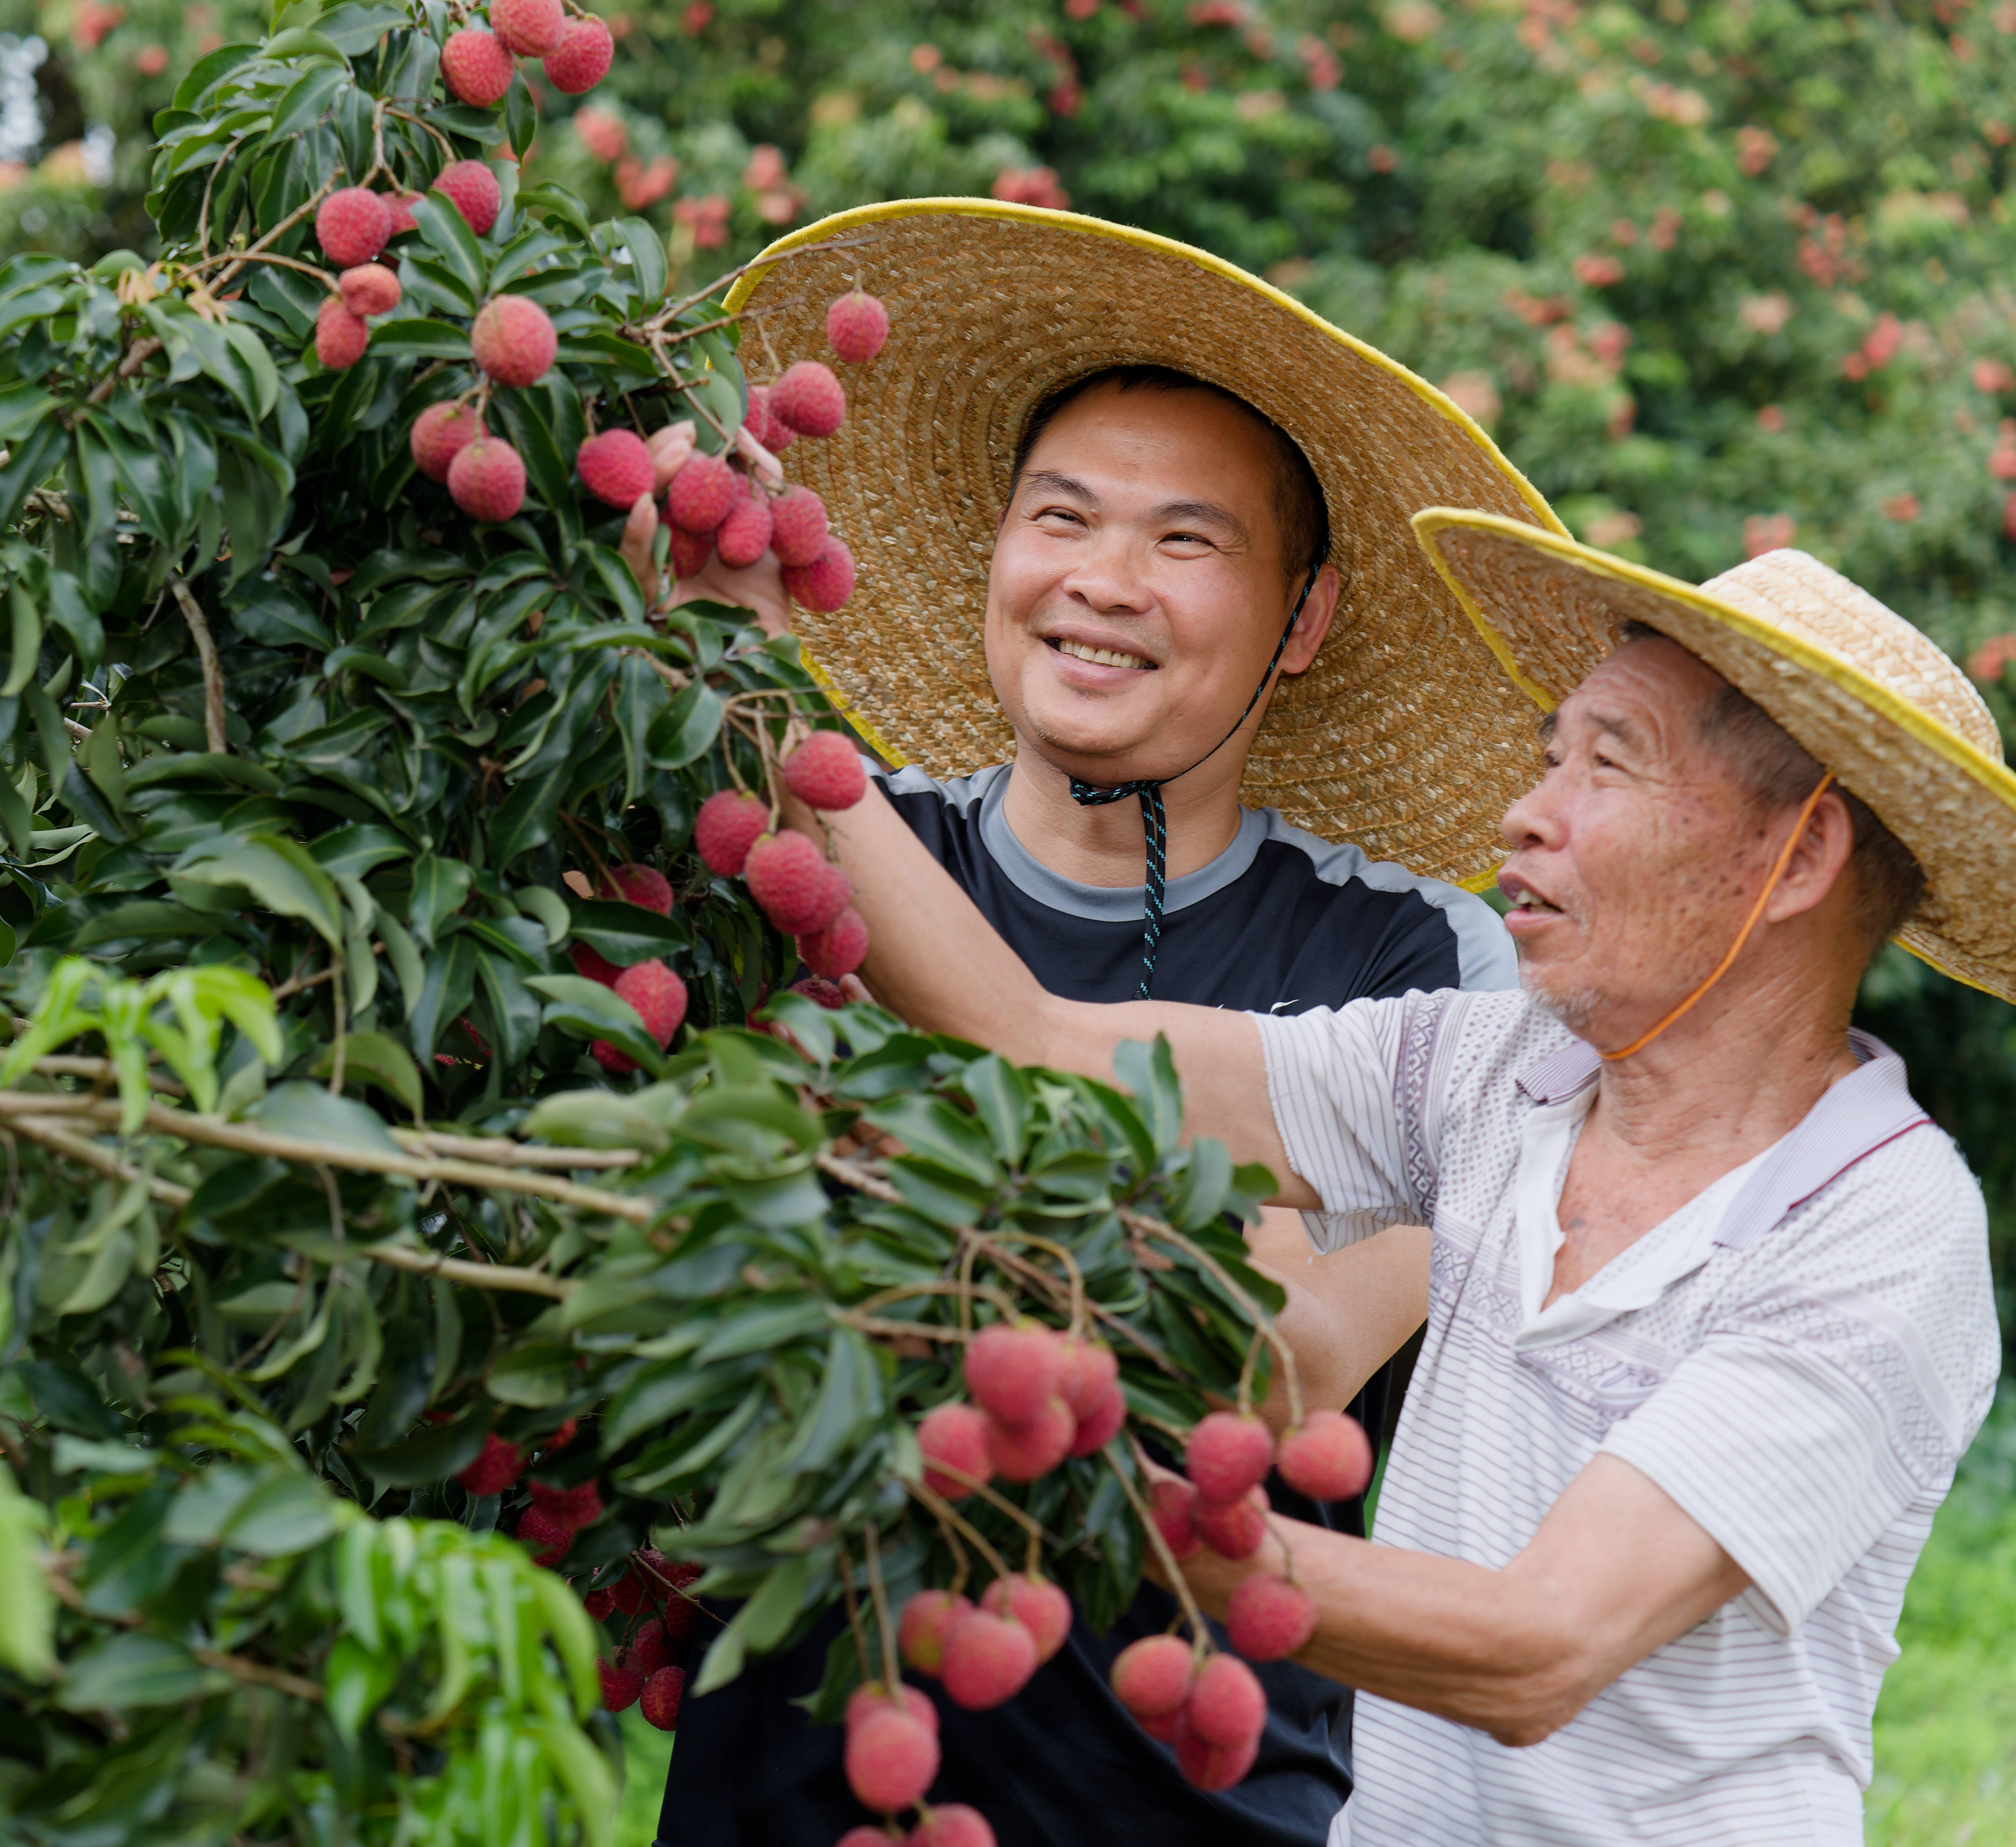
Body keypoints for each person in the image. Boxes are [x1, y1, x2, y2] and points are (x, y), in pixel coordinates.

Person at [798, 509, 2009, 1844]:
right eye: (1549, 757)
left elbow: (1536, 1645)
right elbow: (1040, 1045)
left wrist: (1070, 1491)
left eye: (1605, 767)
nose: (1526, 815)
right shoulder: (1489, 1070)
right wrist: (741, 694)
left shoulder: (1881, 1227)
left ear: (1801, 856)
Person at [654, 202, 1567, 1847]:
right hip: (798, 1787)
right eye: (1058, 517)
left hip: (1204, 1804)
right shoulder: (791, 858)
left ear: (1299, 621)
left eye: (1183, 542)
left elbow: (1289, 1361)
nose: (1100, 582)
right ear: (994, 552)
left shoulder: (1410, 959)